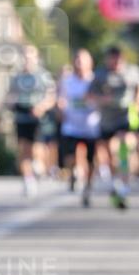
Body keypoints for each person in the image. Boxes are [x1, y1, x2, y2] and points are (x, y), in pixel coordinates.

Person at [89, 46, 139, 209]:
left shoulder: (132, 71)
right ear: (108, 59)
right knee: (109, 154)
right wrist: (102, 99)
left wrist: (138, 102)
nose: (116, 62)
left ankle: (125, 182)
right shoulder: (100, 74)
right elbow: (90, 95)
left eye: (119, 59)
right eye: (113, 59)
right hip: (106, 120)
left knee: (123, 146)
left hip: (126, 117)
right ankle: (116, 181)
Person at [6, 44, 56, 197]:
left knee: (36, 148)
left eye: (30, 56)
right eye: (24, 57)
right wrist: (10, 103)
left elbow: (51, 96)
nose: (27, 60)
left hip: (38, 116)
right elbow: (9, 96)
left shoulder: (43, 75)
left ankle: (39, 165)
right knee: (23, 149)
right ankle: (28, 180)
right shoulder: (16, 77)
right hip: (21, 115)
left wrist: (41, 107)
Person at [57, 49, 100, 207]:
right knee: (71, 156)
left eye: (82, 61)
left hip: (91, 126)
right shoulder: (67, 80)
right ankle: (73, 173)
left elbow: (102, 98)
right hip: (71, 126)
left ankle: (87, 187)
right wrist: (60, 107)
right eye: (77, 60)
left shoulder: (95, 80)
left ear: (90, 63)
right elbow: (61, 98)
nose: (79, 64)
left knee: (90, 160)